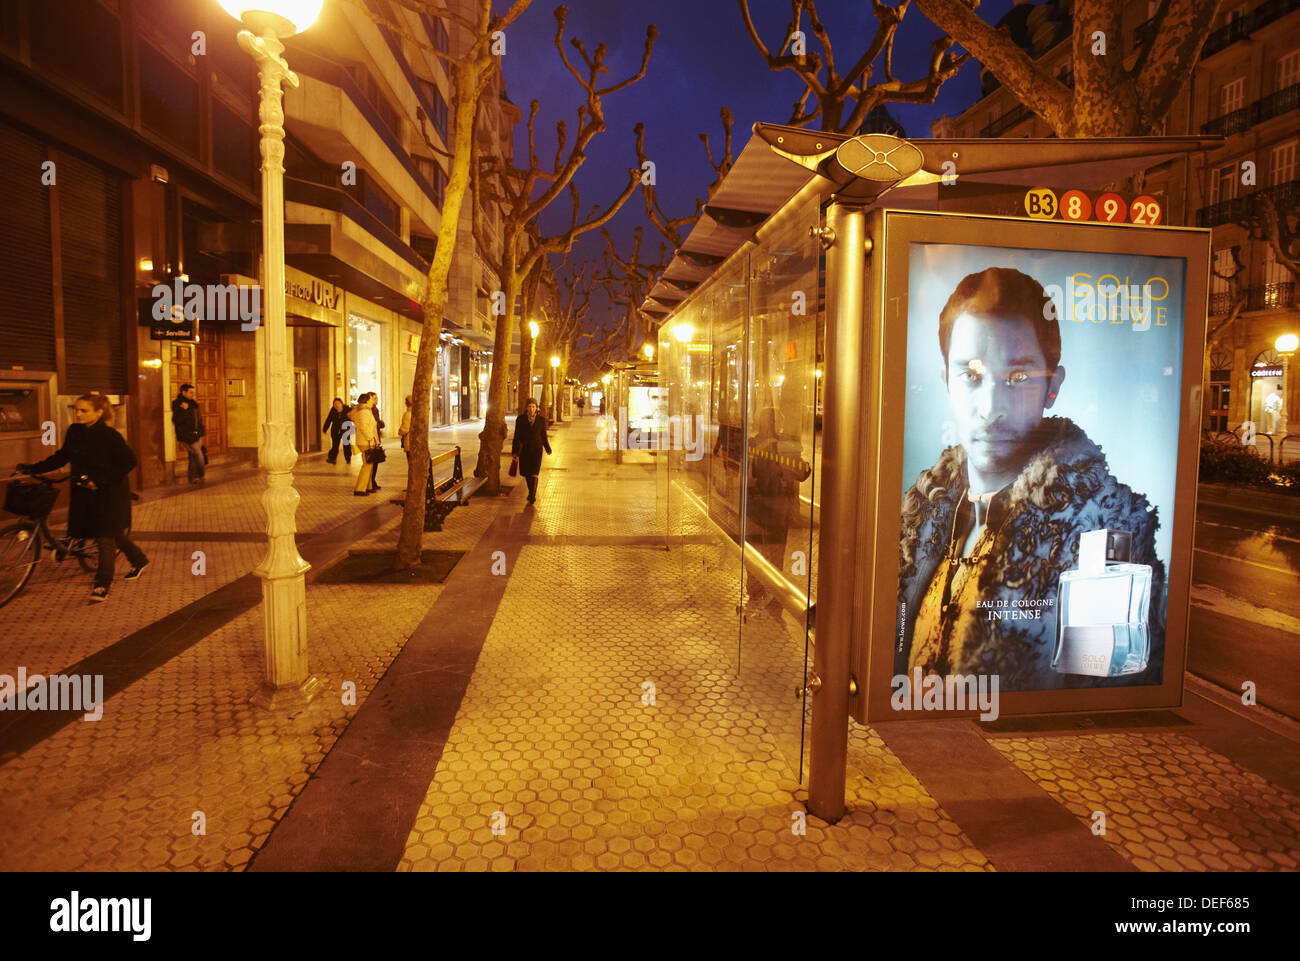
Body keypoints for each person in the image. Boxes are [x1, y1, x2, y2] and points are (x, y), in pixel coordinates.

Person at [896, 267, 1165, 691]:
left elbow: (1103, 691)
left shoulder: (1103, 526)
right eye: (971, 375)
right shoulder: (924, 507)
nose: (991, 407)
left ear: (1052, 387)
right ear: (947, 381)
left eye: (1018, 377)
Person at [17, 395, 149, 602]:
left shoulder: (109, 435)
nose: (78, 414)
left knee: (105, 537)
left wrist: (101, 481)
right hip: (83, 489)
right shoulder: (75, 431)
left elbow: (129, 461)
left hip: (110, 491)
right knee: (110, 532)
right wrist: (33, 468)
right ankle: (139, 560)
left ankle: (102, 584)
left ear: (99, 412)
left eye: (84, 410)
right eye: (76, 410)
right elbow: (62, 456)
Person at [745, 407, 806, 619]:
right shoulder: (781, 446)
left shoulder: (753, 443)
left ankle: (756, 591)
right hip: (777, 508)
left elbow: (746, 474)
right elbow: (801, 473)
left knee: (755, 551)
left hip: (756, 507)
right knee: (775, 552)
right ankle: (773, 593)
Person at [511, 397, 552, 505]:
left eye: (533, 406)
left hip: (537, 450)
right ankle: (531, 492)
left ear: (536, 407)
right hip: (525, 450)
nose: (531, 409)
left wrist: (547, 448)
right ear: (526, 408)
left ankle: (532, 495)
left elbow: (544, 436)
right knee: (526, 473)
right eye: (529, 406)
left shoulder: (541, 420)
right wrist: (515, 452)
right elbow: (516, 436)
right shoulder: (520, 420)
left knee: (534, 473)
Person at [171, 383, 206, 483]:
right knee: (198, 454)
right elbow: (176, 420)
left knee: (193, 456)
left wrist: (200, 431)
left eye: (193, 392)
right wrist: (184, 410)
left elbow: (198, 419)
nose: (193, 394)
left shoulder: (193, 403)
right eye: (191, 392)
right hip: (187, 434)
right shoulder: (178, 403)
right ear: (184, 392)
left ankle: (193, 477)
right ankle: (201, 474)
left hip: (196, 433)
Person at [350, 393, 381, 496]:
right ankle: (360, 489)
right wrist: (370, 438)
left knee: (369, 464)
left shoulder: (366, 411)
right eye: (371, 399)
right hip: (365, 441)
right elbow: (363, 427)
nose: (373, 401)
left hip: (367, 441)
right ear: (366, 401)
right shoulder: (363, 412)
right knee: (367, 465)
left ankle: (368, 486)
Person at [322, 398, 353, 464]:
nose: (336, 405)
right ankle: (332, 459)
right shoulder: (332, 410)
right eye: (335, 404)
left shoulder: (347, 409)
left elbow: (352, 418)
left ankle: (348, 458)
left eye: (338, 403)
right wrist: (325, 428)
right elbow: (328, 419)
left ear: (341, 403)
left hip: (345, 430)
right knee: (335, 445)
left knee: (346, 445)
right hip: (335, 430)